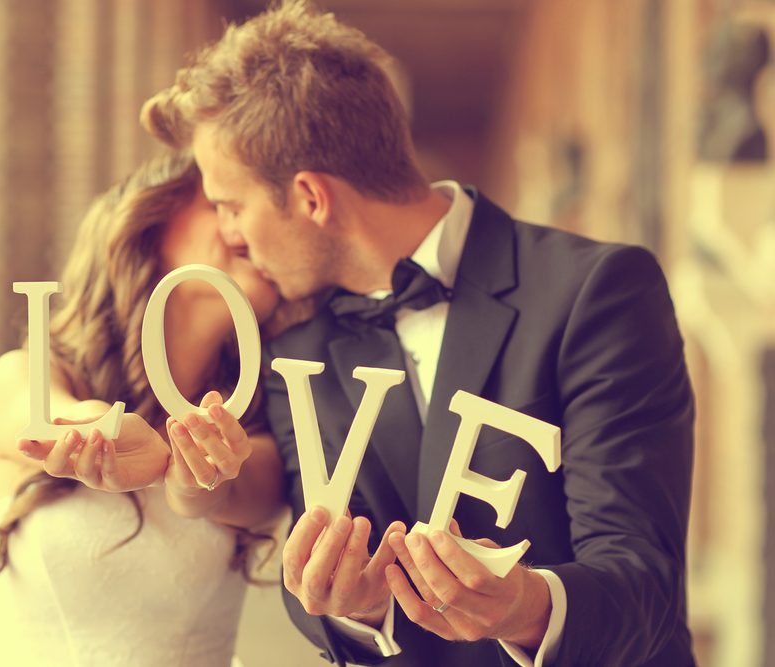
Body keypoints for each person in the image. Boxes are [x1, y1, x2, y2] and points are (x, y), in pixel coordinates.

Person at [140, 2, 696, 665]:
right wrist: (359, 606)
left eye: (232, 206)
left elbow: (644, 578)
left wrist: (527, 607)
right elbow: (322, 568)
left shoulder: (598, 290)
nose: (228, 235)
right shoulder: (297, 356)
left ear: (312, 198)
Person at [0, 151, 285, 666]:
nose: (239, 224)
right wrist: (102, 428)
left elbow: (224, 491)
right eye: (217, 203)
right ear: (149, 222)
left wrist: (183, 474)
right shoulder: (24, 375)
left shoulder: (263, 427)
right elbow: (47, 417)